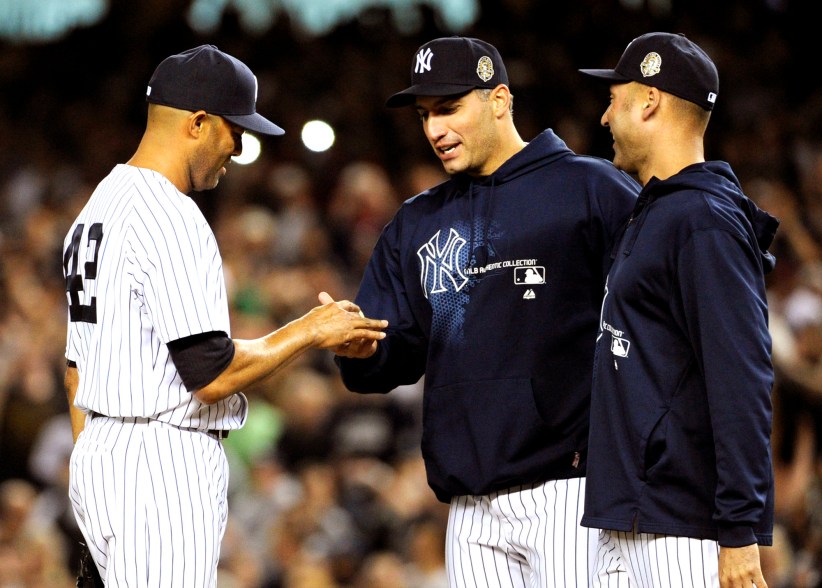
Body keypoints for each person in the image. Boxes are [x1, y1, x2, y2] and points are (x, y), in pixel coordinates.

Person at [61, 44, 387, 587]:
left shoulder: (97, 207)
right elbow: (210, 374)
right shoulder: (170, 213)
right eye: (234, 129)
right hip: (160, 465)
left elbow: (76, 368)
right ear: (197, 122)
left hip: (101, 452)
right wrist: (309, 330)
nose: (238, 146)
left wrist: (99, 474)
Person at [323, 36, 639, 587]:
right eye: (425, 115)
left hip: (570, 492)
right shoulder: (417, 222)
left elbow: (656, 316)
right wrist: (363, 349)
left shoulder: (590, 189)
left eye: (448, 109)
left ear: (499, 99)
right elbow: (392, 353)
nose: (434, 130)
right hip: (468, 508)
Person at [578, 32, 779, 588]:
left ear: (648, 101)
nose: (603, 117)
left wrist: (740, 532)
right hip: (632, 522)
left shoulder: (703, 218)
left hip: (685, 532)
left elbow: (741, 379)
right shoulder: (659, 212)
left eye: (613, 99)